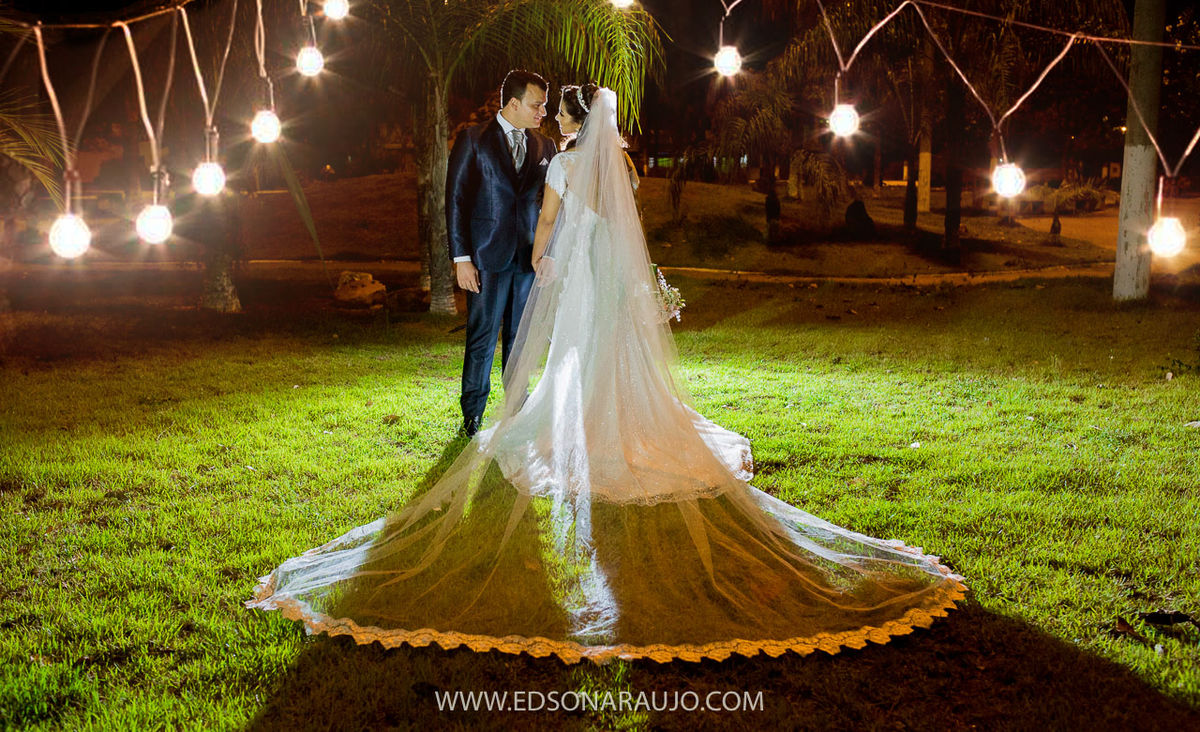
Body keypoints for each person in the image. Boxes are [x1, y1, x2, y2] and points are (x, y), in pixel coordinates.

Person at [246, 86, 965, 664]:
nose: (551, 120)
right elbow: (626, 225)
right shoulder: (618, 166)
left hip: (578, 278)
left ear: (569, 121)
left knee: (570, 351)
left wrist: (542, 257)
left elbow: (548, 225)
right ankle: (611, 421)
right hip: (612, 280)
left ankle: (572, 428)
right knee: (605, 354)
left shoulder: (562, 165)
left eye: (557, 112)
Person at [445, 69, 557, 439]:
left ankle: (516, 411)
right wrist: (461, 258)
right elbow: (457, 200)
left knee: (519, 340)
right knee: (482, 337)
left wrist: (548, 253)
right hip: (484, 260)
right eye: (536, 105)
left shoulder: (546, 147)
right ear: (513, 103)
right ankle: (473, 415)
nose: (543, 112)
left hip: (528, 259)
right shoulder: (473, 140)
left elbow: (550, 207)